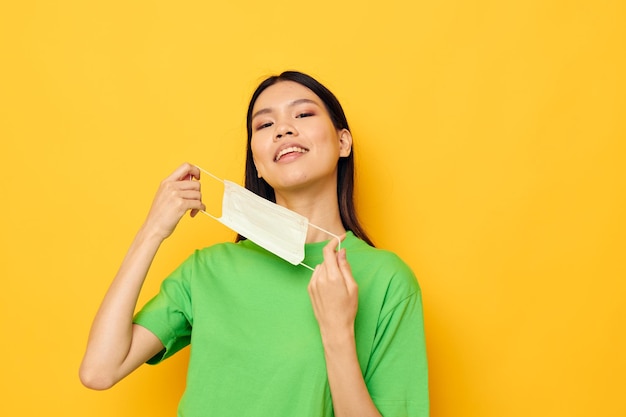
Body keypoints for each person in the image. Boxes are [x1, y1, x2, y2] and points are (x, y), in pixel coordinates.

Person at [79, 71, 429, 416]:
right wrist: (152, 230)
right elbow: (99, 371)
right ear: (257, 164)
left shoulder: (387, 281)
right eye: (264, 125)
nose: (283, 129)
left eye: (303, 114)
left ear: (343, 143)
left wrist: (337, 332)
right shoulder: (208, 269)